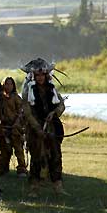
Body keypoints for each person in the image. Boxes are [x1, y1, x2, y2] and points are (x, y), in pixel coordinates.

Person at [21, 59, 67, 197]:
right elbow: (27, 111)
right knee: (36, 156)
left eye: (42, 75)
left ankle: (58, 185)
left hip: (52, 127)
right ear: (34, 76)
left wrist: (54, 113)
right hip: (35, 128)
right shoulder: (28, 90)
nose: (40, 77)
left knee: (56, 155)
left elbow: (61, 105)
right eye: (38, 75)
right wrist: (37, 128)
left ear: (46, 75)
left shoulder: (52, 88)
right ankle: (34, 187)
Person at [0, 76, 28, 178]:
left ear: (13, 85)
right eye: (6, 84)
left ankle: (22, 169)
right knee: (4, 149)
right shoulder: (0, 98)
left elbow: (21, 111)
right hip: (4, 128)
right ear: (3, 85)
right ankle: (2, 168)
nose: (8, 86)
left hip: (16, 128)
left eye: (10, 84)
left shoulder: (16, 97)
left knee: (18, 149)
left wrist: (17, 123)